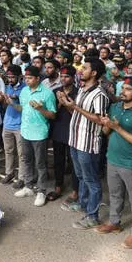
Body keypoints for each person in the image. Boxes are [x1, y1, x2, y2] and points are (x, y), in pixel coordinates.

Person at [95, 76, 132, 250]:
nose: (123, 92)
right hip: (112, 158)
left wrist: (117, 127)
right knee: (115, 194)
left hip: (131, 163)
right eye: (123, 88)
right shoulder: (115, 107)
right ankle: (114, 222)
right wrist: (106, 125)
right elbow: (106, 132)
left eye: (128, 89)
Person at [57, 58, 110, 229]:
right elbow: (76, 113)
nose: (81, 71)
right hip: (75, 140)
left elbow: (100, 119)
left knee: (91, 180)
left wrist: (77, 107)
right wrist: (66, 103)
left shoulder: (100, 94)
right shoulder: (82, 89)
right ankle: (83, 204)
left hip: (88, 144)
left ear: (94, 73)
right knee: (80, 176)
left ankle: (93, 216)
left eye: (85, 68)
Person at [9, 65, 56, 207]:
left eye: (30, 78)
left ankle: (41, 191)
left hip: (39, 133)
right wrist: (10, 103)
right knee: (27, 160)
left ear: (37, 78)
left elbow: (53, 115)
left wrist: (40, 108)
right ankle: (28, 187)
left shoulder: (47, 94)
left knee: (40, 163)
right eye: (26, 78)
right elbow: (22, 108)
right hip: (25, 131)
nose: (27, 80)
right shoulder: (24, 91)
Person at [49, 65, 79, 203]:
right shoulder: (55, 91)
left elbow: (77, 114)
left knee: (73, 162)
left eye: (67, 76)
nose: (63, 79)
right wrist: (60, 103)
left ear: (73, 78)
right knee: (58, 160)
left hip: (73, 130)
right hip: (58, 130)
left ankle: (75, 190)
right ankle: (58, 186)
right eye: (62, 76)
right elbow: (52, 114)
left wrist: (66, 102)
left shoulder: (78, 93)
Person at [1, 65, 25, 186]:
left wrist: (13, 99)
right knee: (8, 151)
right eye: (8, 77)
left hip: (20, 125)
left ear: (20, 77)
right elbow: (6, 103)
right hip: (7, 123)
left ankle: (22, 177)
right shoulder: (8, 87)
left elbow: (24, 109)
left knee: (21, 154)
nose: (10, 80)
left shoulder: (25, 89)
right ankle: (9, 173)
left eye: (12, 77)